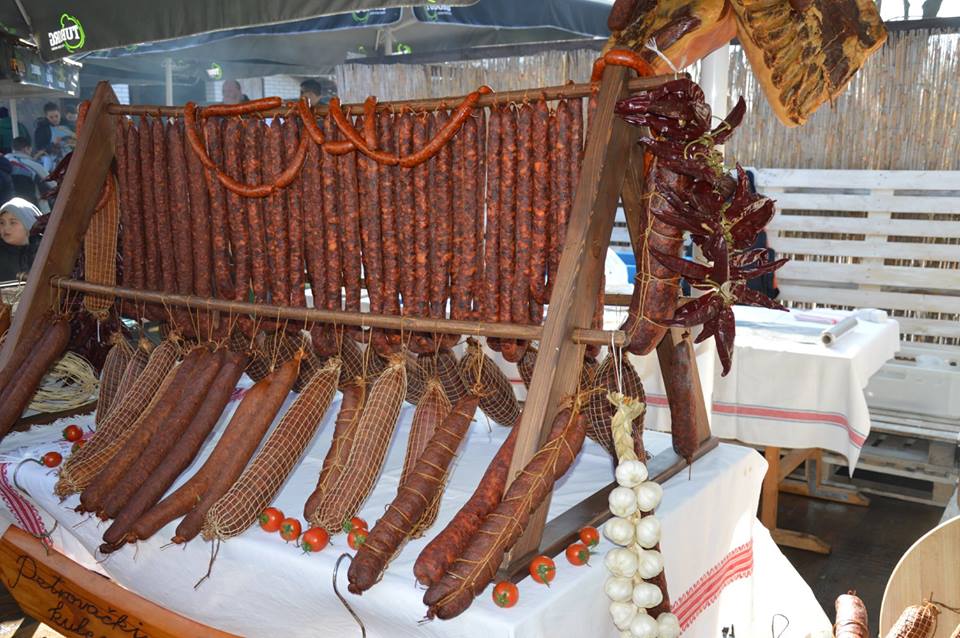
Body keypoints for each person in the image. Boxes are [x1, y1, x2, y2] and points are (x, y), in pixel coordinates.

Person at [0, 198, 42, 281]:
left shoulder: (45, 251)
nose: (6, 228)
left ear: (29, 223)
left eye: (13, 222)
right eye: (1, 223)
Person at [6, 137, 53, 209]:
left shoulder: (4, 162)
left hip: (6, 204)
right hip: (31, 206)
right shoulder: (32, 165)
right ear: (26, 149)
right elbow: (52, 184)